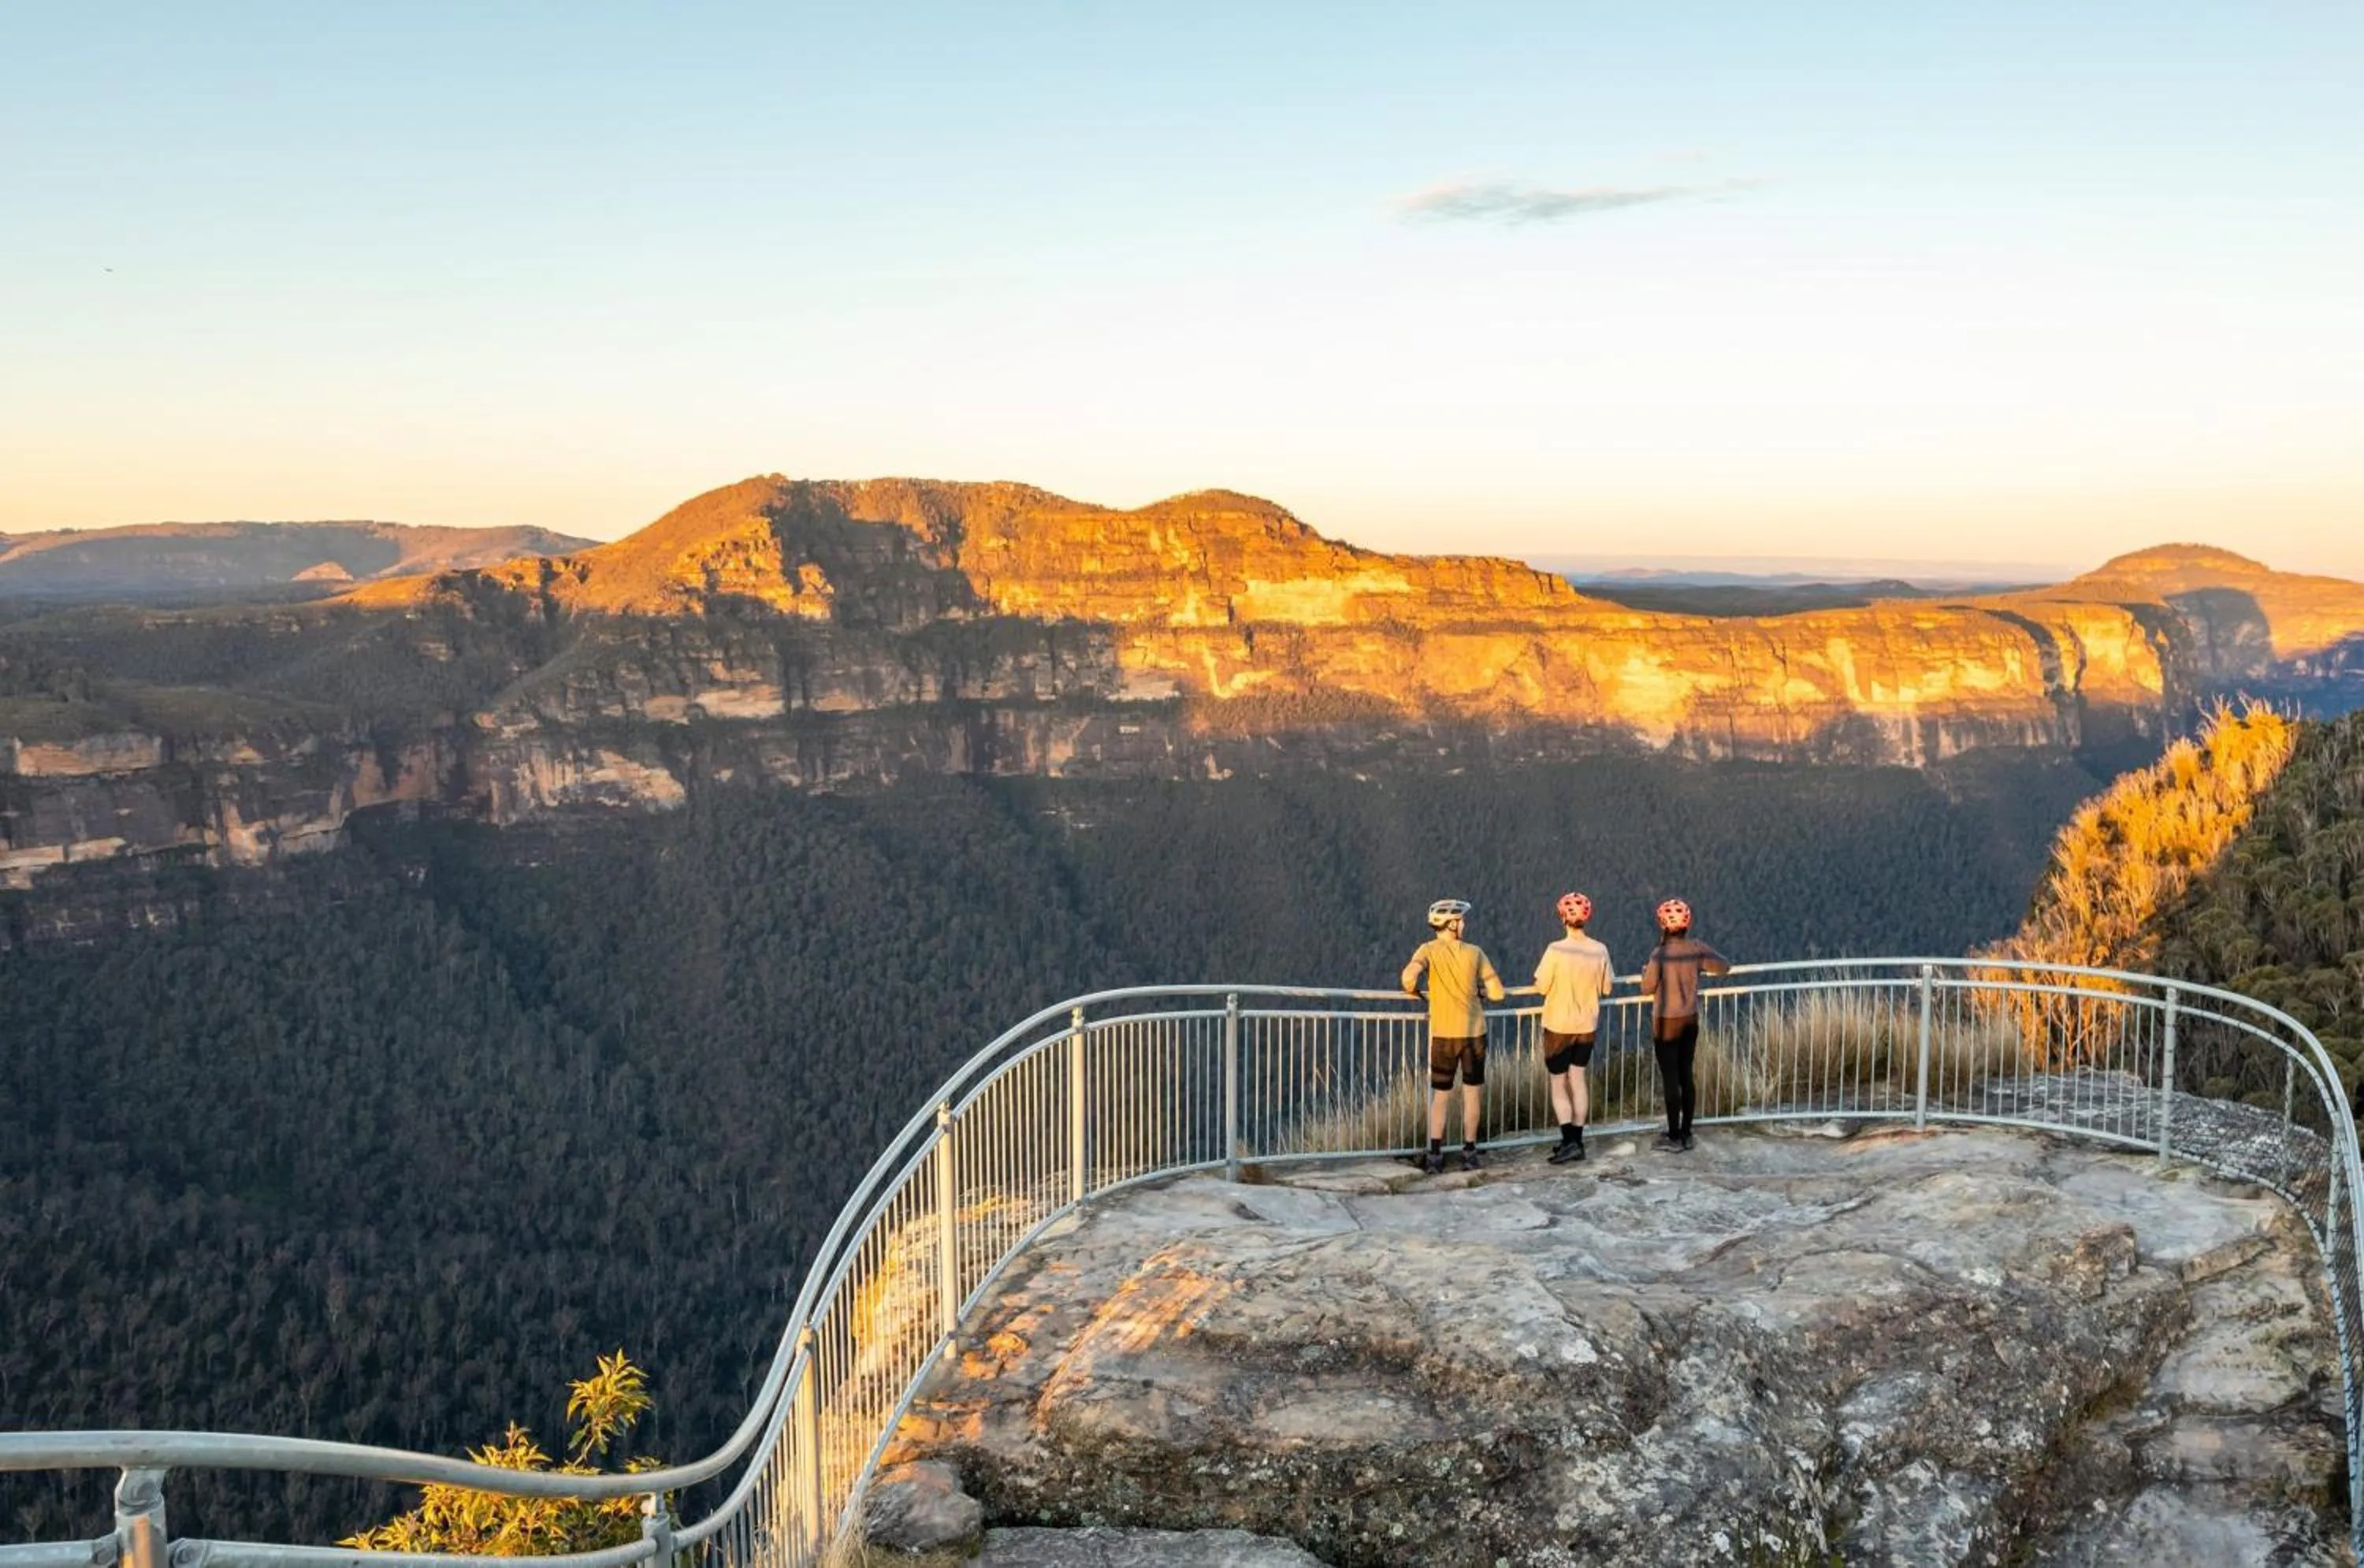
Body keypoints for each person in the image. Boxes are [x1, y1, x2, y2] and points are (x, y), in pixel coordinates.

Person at [1401, 897, 1506, 1175]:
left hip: (1444, 1034)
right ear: (1453, 924)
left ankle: (1435, 1154)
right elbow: (1497, 993)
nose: (1465, 924)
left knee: (1441, 1096)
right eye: (1462, 920)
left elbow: (1408, 978)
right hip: (1474, 1034)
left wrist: (1417, 992)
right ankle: (1469, 1152)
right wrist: (1480, 993)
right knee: (1472, 1094)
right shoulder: (1475, 953)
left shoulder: (1427, 950)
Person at [1639, 897, 1730, 1152]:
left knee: (1670, 1077)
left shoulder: (1660, 954)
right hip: (1690, 1019)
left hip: (1666, 1021)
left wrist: (1646, 972)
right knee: (1686, 1074)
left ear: (1664, 925)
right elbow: (1724, 967)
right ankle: (1687, 1132)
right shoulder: (1697, 949)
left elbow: (1646, 988)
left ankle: (1674, 1135)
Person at [1533, 891, 1615, 1164]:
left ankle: (1568, 1140)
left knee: (1559, 1082)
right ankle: (1577, 1141)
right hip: (1586, 1024)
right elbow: (1606, 987)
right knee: (1578, 1079)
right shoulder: (1600, 949)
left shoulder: (1555, 950)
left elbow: (1542, 986)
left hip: (1558, 1024)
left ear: (1562, 918)